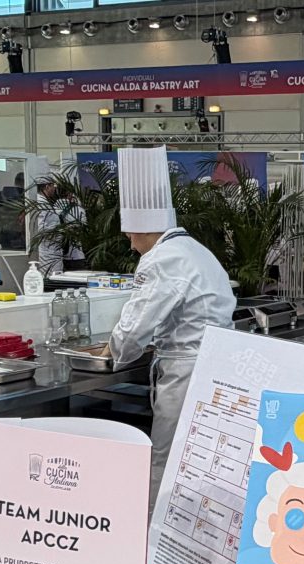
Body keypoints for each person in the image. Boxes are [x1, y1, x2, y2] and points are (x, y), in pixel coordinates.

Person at [105, 146, 236, 511]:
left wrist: (114, 350)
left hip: (186, 373)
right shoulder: (194, 249)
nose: (130, 243)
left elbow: (134, 329)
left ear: (141, 228)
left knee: (167, 457)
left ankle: (153, 532)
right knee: (202, 458)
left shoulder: (161, 259)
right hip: (215, 367)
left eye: (130, 234)